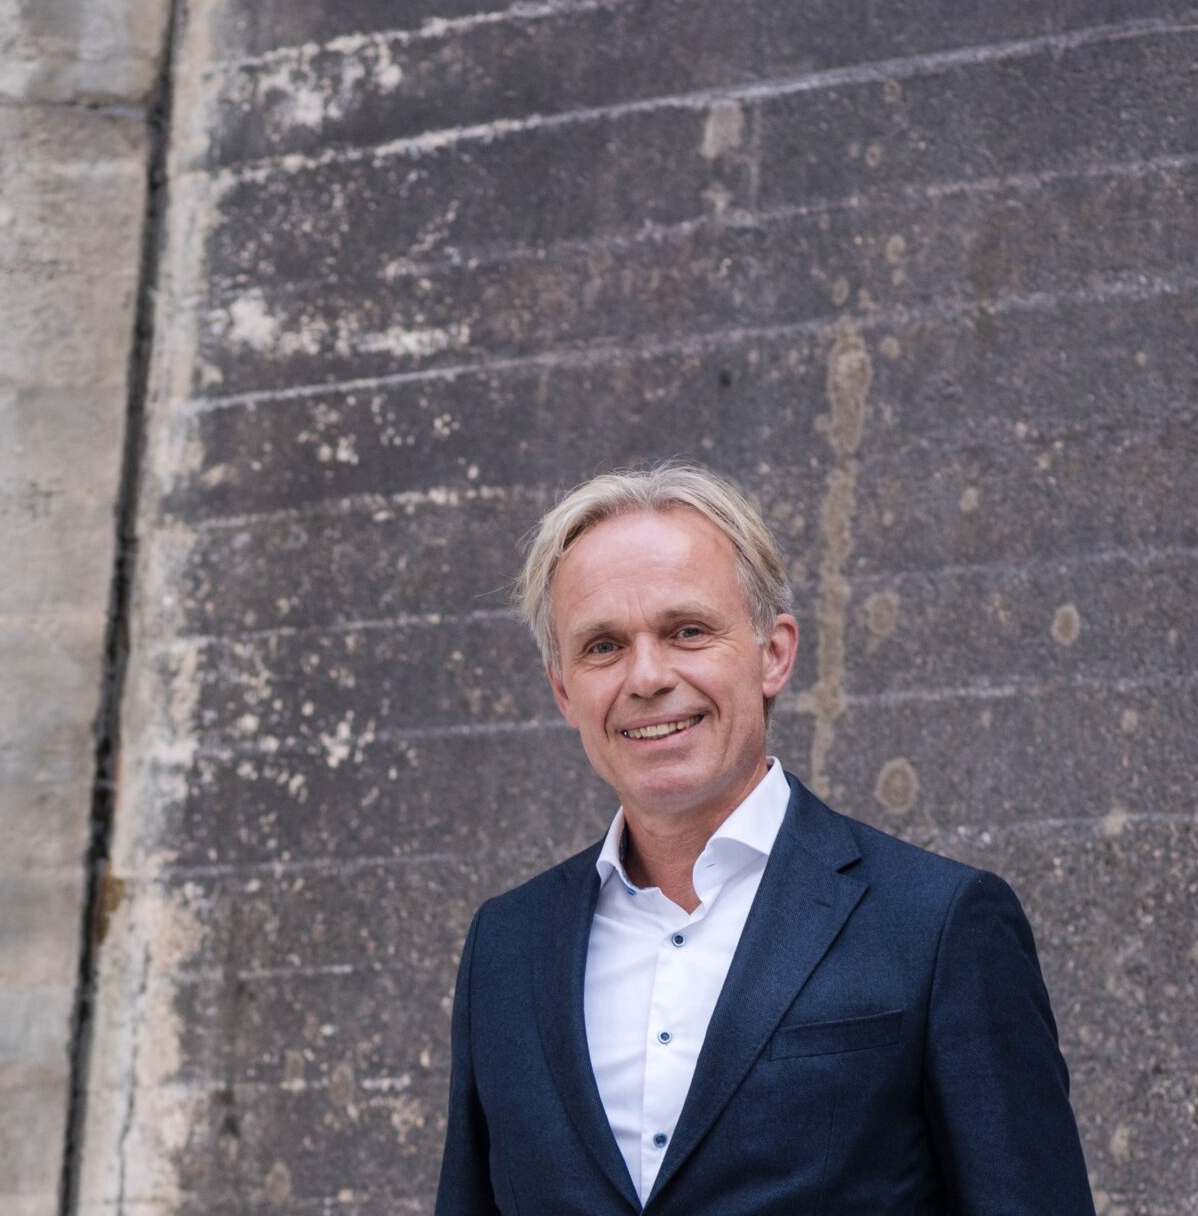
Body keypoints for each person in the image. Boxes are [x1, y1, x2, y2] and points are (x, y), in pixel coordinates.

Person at [434, 464, 1092, 1214]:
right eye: (603, 646)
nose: (647, 676)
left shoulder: (938, 924)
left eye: (687, 631)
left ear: (774, 653)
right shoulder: (506, 947)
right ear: (563, 689)